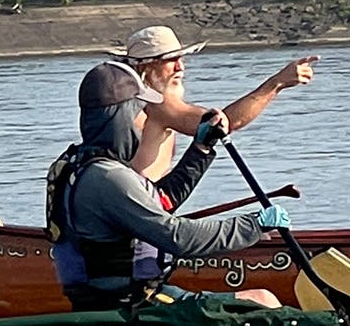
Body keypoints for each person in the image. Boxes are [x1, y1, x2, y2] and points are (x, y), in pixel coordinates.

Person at [46, 60, 288, 311]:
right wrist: (255, 225)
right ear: (122, 117)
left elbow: (162, 201)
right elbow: (178, 238)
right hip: (129, 305)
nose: (146, 121)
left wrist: (201, 149)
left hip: (125, 298)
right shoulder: (107, 177)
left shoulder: (77, 165)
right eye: (142, 112)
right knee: (263, 300)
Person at [117, 24, 316, 181]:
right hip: (135, 215)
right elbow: (222, 122)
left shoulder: (130, 98)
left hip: (145, 206)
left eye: (181, 59)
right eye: (170, 60)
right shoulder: (156, 104)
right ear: (146, 66)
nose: (180, 68)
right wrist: (276, 83)